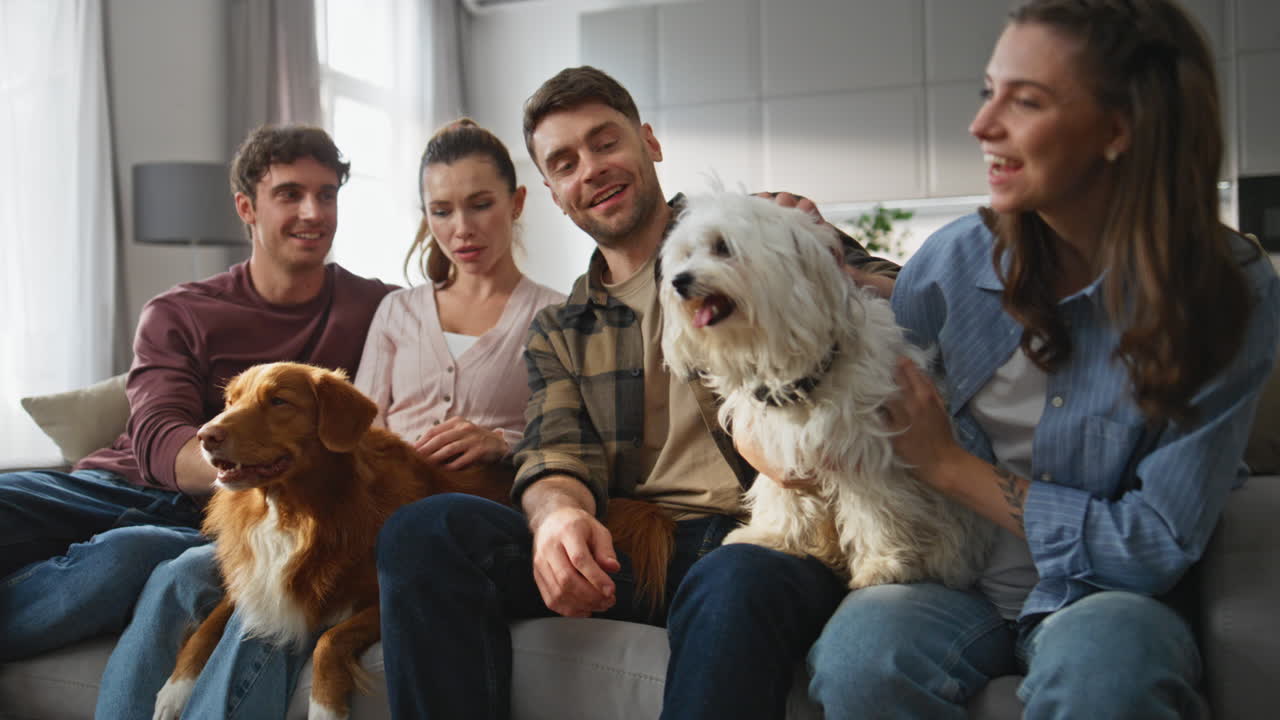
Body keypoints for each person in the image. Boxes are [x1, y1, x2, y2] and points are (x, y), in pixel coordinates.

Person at [375, 65, 900, 720]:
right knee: (425, 530)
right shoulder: (563, 328)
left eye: (605, 142)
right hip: (634, 545)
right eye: (565, 162)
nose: (590, 169)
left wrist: (823, 256)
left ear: (649, 142)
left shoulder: (754, 235)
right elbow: (552, 456)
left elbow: (916, 305)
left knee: (735, 576)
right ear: (552, 191)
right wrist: (558, 517)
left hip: (764, 533)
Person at [804, 1, 1280, 718]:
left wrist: (950, 466)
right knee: (857, 659)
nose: (982, 125)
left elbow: (1155, 543)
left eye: (1024, 101)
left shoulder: (1227, 292)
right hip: (955, 586)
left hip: (1110, 597)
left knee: (1109, 671)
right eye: (987, 92)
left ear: (1120, 130)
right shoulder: (950, 264)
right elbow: (854, 393)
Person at [94, 118, 566, 720]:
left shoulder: (555, 315)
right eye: (442, 210)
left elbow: (572, 436)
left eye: (480, 205)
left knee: (268, 593)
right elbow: (355, 435)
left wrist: (503, 441)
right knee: (188, 571)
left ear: (517, 202)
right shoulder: (396, 309)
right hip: (366, 503)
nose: (463, 228)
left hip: (461, 510)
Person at [0, 125, 392, 665]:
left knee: (128, 556)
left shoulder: (379, 309)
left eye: (326, 194)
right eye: (289, 194)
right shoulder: (179, 311)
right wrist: (245, 459)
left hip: (215, 517)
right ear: (246, 208)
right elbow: (158, 435)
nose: (313, 212)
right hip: (117, 484)